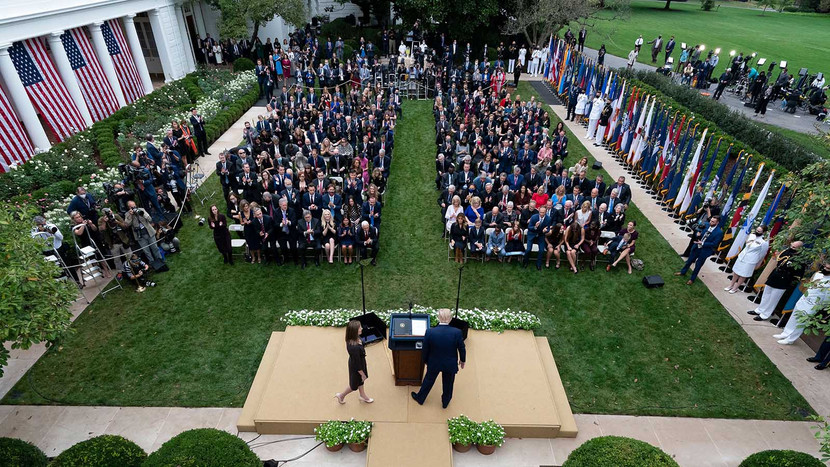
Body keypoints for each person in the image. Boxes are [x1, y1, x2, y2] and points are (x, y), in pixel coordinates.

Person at [411, 309, 466, 409]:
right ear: (450, 318)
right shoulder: (457, 332)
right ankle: (445, 402)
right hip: (450, 363)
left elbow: (425, 349)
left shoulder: (430, 332)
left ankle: (420, 398)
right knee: (448, 384)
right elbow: (461, 348)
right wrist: (462, 360)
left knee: (428, 380)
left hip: (434, 362)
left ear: (438, 318)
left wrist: (426, 361)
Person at [774, 263, 830, 345]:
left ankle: (790, 339)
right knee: (794, 316)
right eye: (825, 267)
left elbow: (827, 298)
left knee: (801, 322)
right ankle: (785, 333)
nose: (825, 268)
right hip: (804, 299)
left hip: (813, 304)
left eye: (828, 268)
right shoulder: (818, 274)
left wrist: (819, 306)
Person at [749, 241, 805, 322]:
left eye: (794, 247)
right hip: (775, 275)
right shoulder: (786, 251)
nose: (791, 248)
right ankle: (759, 310)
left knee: (773, 299)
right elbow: (779, 261)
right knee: (766, 294)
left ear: (799, 248)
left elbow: (798, 274)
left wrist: (789, 279)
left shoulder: (799, 259)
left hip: (784, 279)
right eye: (791, 245)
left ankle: (765, 315)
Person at [675, 215, 723, 284]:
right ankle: (683, 272)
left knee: (698, 265)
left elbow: (714, 244)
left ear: (717, 223)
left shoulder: (719, 232)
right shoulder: (706, 224)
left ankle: (692, 279)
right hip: (696, 247)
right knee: (689, 261)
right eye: (711, 220)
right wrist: (698, 234)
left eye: (713, 222)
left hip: (705, 251)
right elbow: (699, 230)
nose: (710, 222)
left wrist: (703, 243)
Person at [335, 320, 374, 404]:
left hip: (359, 362)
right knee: (353, 385)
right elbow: (357, 365)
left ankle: (362, 395)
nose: (362, 328)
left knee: (360, 381)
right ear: (354, 331)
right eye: (359, 327)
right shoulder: (354, 347)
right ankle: (341, 395)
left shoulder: (355, 338)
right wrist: (362, 374)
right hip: (356, 367)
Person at [726, 226, 769, 293]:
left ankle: (735, 287)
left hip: (751, 260)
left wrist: (758, 263)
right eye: (757, 230)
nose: (757, 232)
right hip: (742, 256)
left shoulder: (764, 242)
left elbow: (762, 254)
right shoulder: (751, 236)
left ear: (763, 232)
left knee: (744, 274)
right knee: (736, 271)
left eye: (759, 231)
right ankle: (731, 285)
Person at [523, 205, 551, 270]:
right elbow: (529, 227)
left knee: (541, 250)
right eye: (540, 212)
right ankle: (525, 262)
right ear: (539, 211)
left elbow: (548, 228)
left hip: (541, 235)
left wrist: (546, 230)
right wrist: (535, 227)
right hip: (532, 234)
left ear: (545, 212)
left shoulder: (548, 218)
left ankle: (538, 264)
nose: (541, 214)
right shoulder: (534, 217)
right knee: (528, 249)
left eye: (543, 212)